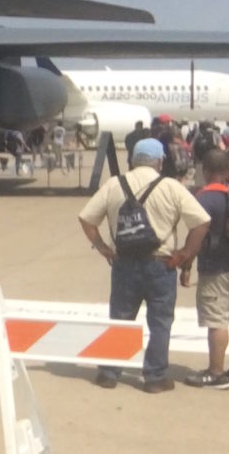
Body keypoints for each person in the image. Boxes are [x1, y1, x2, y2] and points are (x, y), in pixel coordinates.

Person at [77, 137, 210, 392]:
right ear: (160, 161)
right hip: (162, 264)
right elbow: (201, 222)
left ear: (133, 160)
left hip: (124, 264)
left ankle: (109, 372)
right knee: (160, 322)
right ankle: (155, 377)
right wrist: (184, 255)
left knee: (120, 318)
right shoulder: (171, 186)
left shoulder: (114, 184)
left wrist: (104, 248)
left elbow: (87, 219)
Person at [180, 149, 229, 388]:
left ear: (205, 171)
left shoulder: (204, 198)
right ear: (228, 170)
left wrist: (186, 263)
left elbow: (197, 234)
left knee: (217, 320)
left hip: (217, 268)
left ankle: (215, 372)